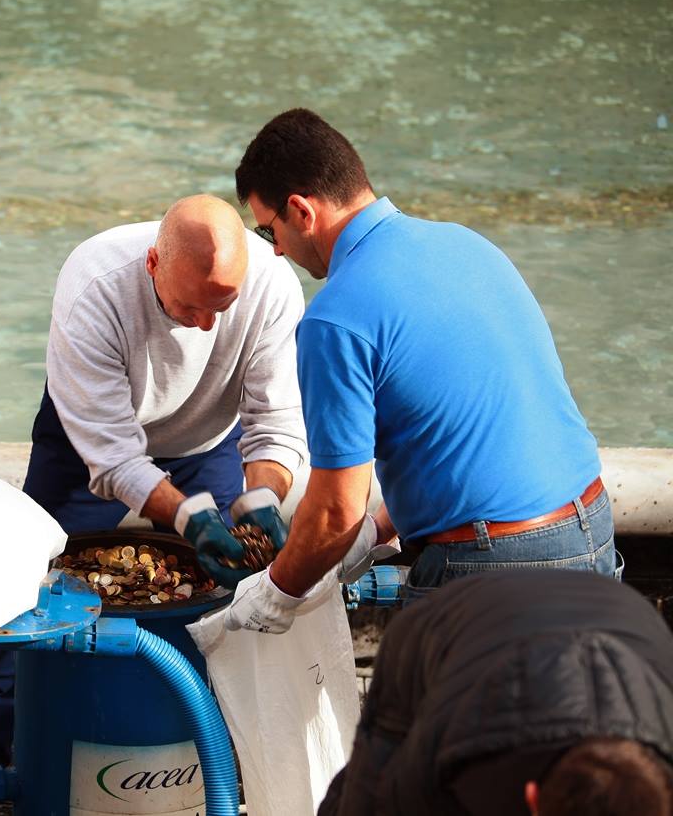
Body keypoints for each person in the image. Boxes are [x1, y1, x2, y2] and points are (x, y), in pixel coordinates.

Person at [0, 193, 309, 765]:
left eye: (222, 307)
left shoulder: (273, 286)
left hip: (209, 435)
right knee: (27, 582)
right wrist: (187, 517)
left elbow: (275, 419)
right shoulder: (94, 284)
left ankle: (201, 740)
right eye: (190, 307)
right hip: (89, 436)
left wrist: (264, 493)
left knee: (225, 592)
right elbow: (113, 457)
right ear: (153, 264)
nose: (206, 325)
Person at [225, 108, 616, 635]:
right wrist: (378, 528)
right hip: (591, 529)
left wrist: (276, 594)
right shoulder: (468, 244)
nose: (274, 249)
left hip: (490, 570)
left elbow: (336, 510)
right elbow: (466, 429)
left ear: (300, 210)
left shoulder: (333, 319)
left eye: (268, 229)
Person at [317, 570, 673, 815]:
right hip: (448, 621)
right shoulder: (465, 762)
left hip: (615, 608)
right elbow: (379, 798)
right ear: (531, 798)